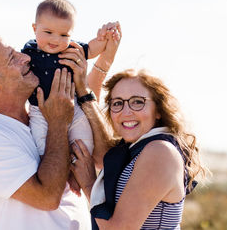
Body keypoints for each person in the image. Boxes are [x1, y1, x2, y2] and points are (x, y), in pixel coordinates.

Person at [0, 32, 119, 229]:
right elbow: (47, 198)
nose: (26, 57)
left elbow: (103, 157)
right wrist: (58, 122)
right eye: (12, 58)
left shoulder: (41, 113)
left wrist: (86, 84)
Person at [69, 67, 208, 229]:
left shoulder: (160, 152)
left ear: (158, 110)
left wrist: (88, 184)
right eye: (118, 103)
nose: (126, 112)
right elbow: (103, 156)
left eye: (137, 102)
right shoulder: (136, 149)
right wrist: (84, 94)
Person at [22, 0, 120, 159]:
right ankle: (54, 170)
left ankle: (76, 170)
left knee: (84, 143)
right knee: (41, 148)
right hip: (39, 110)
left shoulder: (72, 49)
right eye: (48, 33)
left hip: (73, 105)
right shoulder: (29, 52)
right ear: (35, 28)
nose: (55, 40)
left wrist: (104, 37)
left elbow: (93, 48)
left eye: (63, 34)